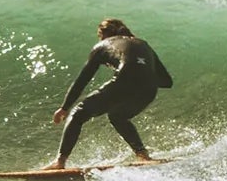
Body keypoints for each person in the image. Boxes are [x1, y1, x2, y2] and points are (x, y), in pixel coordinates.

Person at [53, 15, 171, 167]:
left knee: (78, 113)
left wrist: (64, 107)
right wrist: (141, 79)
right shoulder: (143, 44)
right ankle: (143, 156)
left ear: (103, 35)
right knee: (118, 116)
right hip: (149, 88)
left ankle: (60, 161)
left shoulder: (103, 46)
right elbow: (167, 81)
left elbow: (83, 79)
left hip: (124, 80)